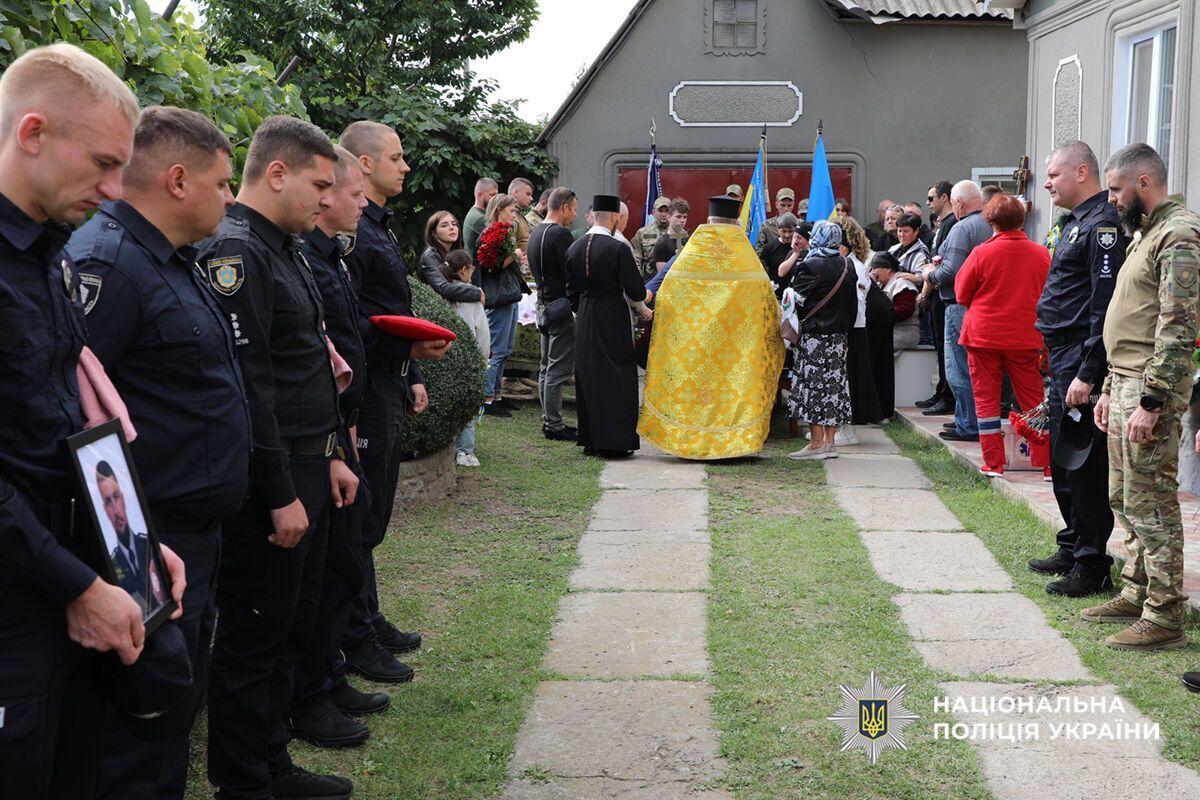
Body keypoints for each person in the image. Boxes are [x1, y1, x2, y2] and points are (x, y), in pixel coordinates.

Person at [0, 43, 185, 800]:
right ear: (32, 132)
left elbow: (64, 431)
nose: (115, 190)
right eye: (104, 164)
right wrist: (77, 583)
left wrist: (134, 545)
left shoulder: (47, 253)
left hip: (65, 587)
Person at [65, 105, 248, 800]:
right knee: (134, 741)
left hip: (187, 541)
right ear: (178, 179)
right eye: (224, 183)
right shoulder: (107, 264)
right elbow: (74, 420)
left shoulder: (171, 261)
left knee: (170, 718)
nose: (232, 199)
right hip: (143, 544)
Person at [199, 116, 354, 800]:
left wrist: (336, 454)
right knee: (253, 635)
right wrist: (278, 490)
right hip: (277, 474)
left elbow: (307, 362)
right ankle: (243, 780)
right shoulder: (236, 253)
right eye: (319, 184)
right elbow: (251, 383)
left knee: (290, 623)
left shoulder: (284, 246)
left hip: (312, 462)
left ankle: (272, 760)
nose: (327, 198)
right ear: (277, 173)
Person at [340, 120, 447, 683]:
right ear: (361, 163)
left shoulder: (377, 225)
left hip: (388, 378)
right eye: (397, 157)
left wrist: (408, 374)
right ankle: (354, 631)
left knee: (374, 511)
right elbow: (350, 319)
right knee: (364, 515)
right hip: (366, 383)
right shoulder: (353, 232)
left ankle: (366, 616)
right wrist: (404, 347)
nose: (406, 167)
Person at [289, 144, 387, 751]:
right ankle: (311, 692)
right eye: (346, 192)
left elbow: (339, 340)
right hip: (311, 444)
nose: (342, 200)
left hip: (335, 431)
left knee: (342, 560)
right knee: (324, 575)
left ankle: (325, 677)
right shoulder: (292, 256)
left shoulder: (324, 256)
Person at [1084, 143, 1200, 651]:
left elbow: (1177, 327)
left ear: (1144, 184)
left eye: (1115, 189)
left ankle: (1165, 613)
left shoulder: (1179, 234)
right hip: (1126, 381)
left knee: (1151, 504)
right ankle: (1137, 590)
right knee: (1124, 499)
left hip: (1151, 387)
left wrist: (1152, 402)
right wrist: (1111, 385)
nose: (1111, 200)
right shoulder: (1148, 233)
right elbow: (1131, 319)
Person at [1028, 141, 1126, 597]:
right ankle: (1072, 543)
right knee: (1061, 459)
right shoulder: (1076, 224)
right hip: (1062, 355)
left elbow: (1103, 306)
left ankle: (1092, 561)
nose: (1046, 183)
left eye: (1053, 174)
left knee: (1082, 462)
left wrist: (1089, 371)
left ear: (1081, 171)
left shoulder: (1103, 226)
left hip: (1079, 359)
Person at [639, 196, 784, 459]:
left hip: (697, 344)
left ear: (709, 221)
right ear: (736, 223)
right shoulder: (744, 253)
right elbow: (768, 303)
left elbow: (665, 288)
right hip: (736, 346)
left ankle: (689, 438)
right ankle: (736, 442)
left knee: (697, 393)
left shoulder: (694, 250)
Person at [954, 193, 1050, 476]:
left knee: (986, 399)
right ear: (1021, 219)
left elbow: (961, 294)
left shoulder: (981, 253)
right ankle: (1047, 463)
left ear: (990, 220)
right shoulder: (1041, 253)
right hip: (1026, 336)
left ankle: (994, 462)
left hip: (982, 335)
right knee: (1033, 399)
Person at [566, 194, 651, 456]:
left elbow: (571, 293)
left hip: (586, 315)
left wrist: (585, 309)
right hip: (612, 315)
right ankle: (615, 442)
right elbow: (636, 291)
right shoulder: (618, 248)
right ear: (614, 217)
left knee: (589, 374)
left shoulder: (574, 247)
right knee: (618, 373)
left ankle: (591, 439)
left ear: (593, 216)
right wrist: (649, 295)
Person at [785, 221, 858, 460]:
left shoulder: (810, 265)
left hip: (815, 337)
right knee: (834, 388)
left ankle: (816, 444)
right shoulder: (847, 265)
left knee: (814, 387)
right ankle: (830, 442)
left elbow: (797, 302)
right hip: (838, 338)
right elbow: (852, 306)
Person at [925, 181, 992, 442]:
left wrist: (930, 275)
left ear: (959, 204)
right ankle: (971, 420)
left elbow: (950, 270)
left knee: (959, 368)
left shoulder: (962, 227)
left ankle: (968, 424)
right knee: (976, 368)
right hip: (983, 304)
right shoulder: (990, 225)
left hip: (959, 305)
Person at [528, 186, 580, 441]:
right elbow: (572, 273)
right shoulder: (560, 234)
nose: (574, 216)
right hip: (559, 306)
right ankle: (553, 425)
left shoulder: (535, 231)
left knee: (546, 367)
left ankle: (549, 420)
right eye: (574, 210)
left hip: (543, 304)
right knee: (556, 371)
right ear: (564, 207)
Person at [477, 192, 530, 416]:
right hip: (498, 297)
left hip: (508, 295)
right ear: (499, 211)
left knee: (505, 349)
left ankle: (497, 394)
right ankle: (487, 399)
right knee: (497, 350)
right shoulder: (490, 234)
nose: (515, 216)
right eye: (511, 211)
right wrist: (515, 255)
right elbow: (491, 266)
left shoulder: (503, 233)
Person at [439, 250, 490, 465]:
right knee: (467, 404)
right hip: (468, 356)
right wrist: (483, 358)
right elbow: (482, 333)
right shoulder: (471, 295)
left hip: (443, 353)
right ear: (463, 270)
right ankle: (465, 450)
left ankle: (445, 443)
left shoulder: (440, 291)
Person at [917, 180, 958, 414]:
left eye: (931, 198)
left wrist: (925, 291)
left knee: (946, 349)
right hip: (937, 296)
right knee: (940, 348)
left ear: (944, 197)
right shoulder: (944, 224)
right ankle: (942, 390)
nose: (928, 203)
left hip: (942, 296)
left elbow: (939, 265)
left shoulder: (952, 224)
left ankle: (948, 397)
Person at [840, 218, 883, 436]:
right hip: (854, 327)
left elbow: (855, 303)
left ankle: (847, 431)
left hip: (854, 329)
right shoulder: (853, 264)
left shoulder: (853, 267)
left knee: (852, 380)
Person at [419, 210, 484, 304]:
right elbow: (442, 288)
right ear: (434, 233)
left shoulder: (456, 253)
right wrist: (476, 293)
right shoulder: (430, 256)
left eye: (454, 224)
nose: (451, 228)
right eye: (444, 225)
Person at [868, 251, 920, 352]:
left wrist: (879, 315)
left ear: (888, 269)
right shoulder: (881, 285)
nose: (872, 272)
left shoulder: (902, 283)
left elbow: (905, 310)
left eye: (875, 268)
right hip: (888, 331)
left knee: (871, 343)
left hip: (903, 332)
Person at [759, 212, 797, 296]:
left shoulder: (799, 247)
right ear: (777, 229)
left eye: (790, 231)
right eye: (784, 231)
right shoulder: (769, 248)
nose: (787, 235)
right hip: (776, 294)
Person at [633, 196, 670, 279]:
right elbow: (637, 259)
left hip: (671, 279)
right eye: (660, 211)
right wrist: (638, 280)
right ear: (654, 212)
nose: (664, 214)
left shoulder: (678, 233)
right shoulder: (642, 233)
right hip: (650, 279)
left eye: (667, 211)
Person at [651, 198, 690, 270]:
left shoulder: (689, 241)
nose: (682, 220)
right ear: (669, 217)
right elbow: (662, 274)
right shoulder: (662, 243)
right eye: (678, 217)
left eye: (685, 217)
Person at [462, 176, 498, 254]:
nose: (496, 199)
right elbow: (499, 245)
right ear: (479, 195)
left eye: (496, 195)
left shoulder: (479, 213)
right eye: (492, 195)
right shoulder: (479, 218)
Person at [756, 187, 796, 252]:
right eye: (782, 205)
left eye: (789, 205)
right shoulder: (767, 226)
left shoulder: (799, 226)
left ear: (793, 205)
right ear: (776, 204)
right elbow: (759, 251)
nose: (786, 209)